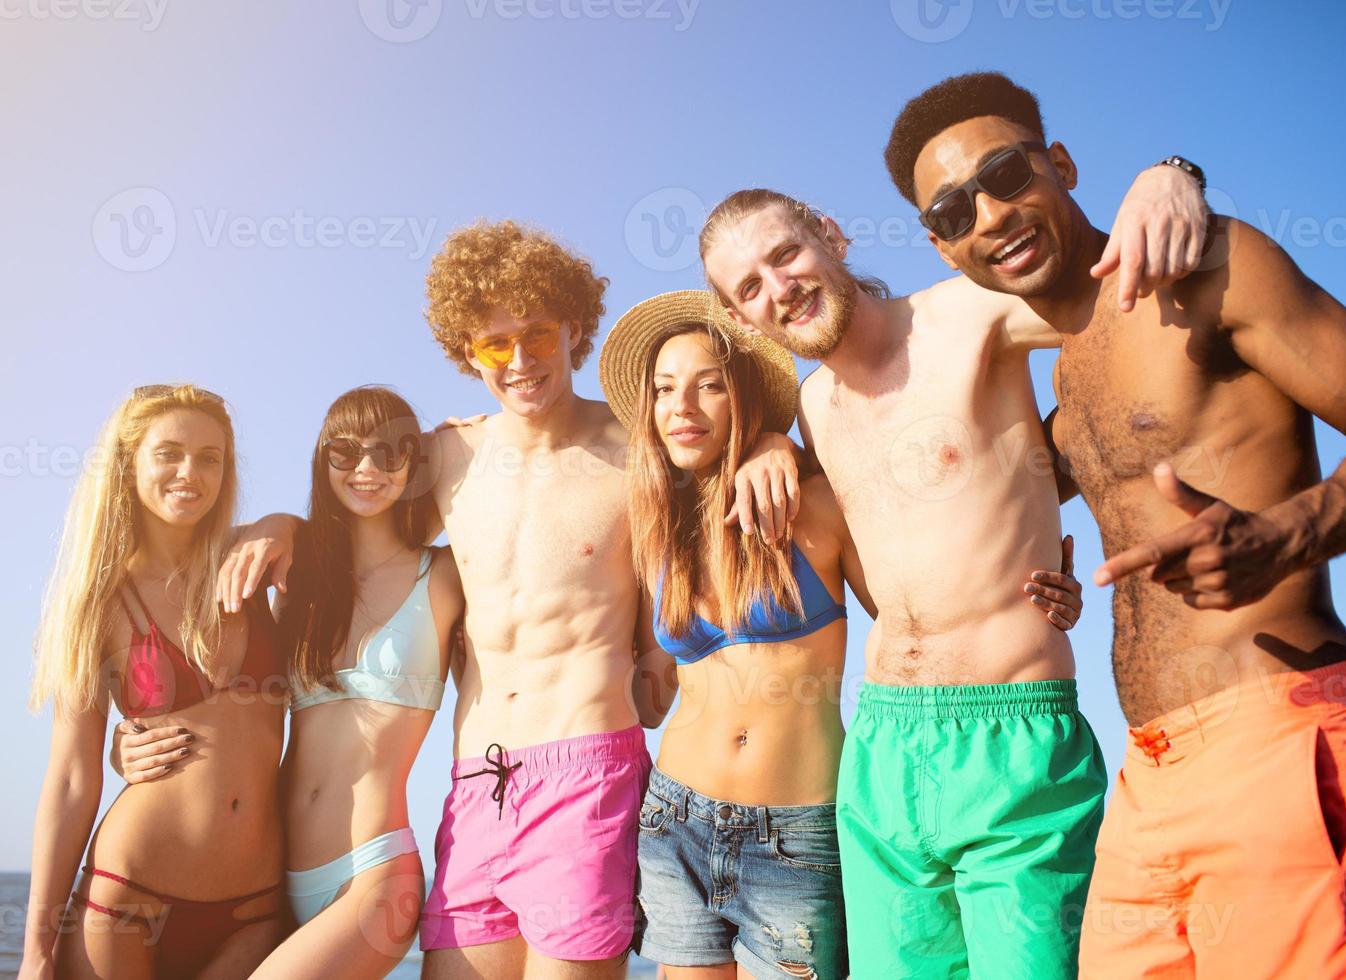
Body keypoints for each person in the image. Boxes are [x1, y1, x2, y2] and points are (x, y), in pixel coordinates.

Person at [888, 69, 1346, 978]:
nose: (990, 216)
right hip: (1147, 779)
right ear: (942, 246)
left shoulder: (1209, 268)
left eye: (1006, 175)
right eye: (956, 211)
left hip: (1282, 734)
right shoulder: (1067, 381)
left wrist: (1284, 536)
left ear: (1062, 166)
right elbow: (956, 486)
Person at [216, 221, 802, 979]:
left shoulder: (635, 445)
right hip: (477, 785)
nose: (520, 361)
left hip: (587, 769)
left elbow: (718, 441)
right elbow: (356, 514)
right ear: (467, 351)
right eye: (496, 344)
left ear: (575, 331)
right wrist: (280, 524)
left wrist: (772, 444)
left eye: (538, 334)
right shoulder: (448, 456)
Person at [697, 161, 1209, 979]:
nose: (779, 290)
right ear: (740, 316)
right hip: (882, 754)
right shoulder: (812, 414)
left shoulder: (969, 315)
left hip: (1014, 735)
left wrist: (1168, 178)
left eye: (784, 256)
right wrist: (766, 444)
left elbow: (1131, 297)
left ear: (829, 235)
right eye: (750, 288)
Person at [598, 289, 1087, 979]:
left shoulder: (816, 504)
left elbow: (920, 604)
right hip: (674, 817)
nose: (682, 405)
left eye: (709, 385)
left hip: (796, 829)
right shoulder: (657, 534)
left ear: (742, 399)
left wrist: (1035, 588)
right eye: (665, 390)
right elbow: (646, 687)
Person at [112, 386, 465, 978]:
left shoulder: (449, 575)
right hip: (270, 882)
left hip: (373, 873)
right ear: (322, 460)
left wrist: (466, 444)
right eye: (346, 452)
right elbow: (232, 699)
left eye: (391, 453)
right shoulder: (297, 582)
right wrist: (131, 740)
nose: (368, 469)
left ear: (415, 462)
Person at [23, 384, 286, 979]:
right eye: (168, 452)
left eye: (210, 457)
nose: (189, 472)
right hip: (128, 899)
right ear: (128, 463)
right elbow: (69, 780)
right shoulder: (98, 602)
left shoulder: (254, 566)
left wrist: (284, 521)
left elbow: (361, 530)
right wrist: (35, 951)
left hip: (257, 909)